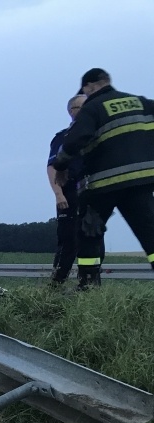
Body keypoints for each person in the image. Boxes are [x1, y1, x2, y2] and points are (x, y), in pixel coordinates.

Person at [51, 68, 154, 288]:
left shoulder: (93, 107)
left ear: (89, 86)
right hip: (140, 182)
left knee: (89, 233)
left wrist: (60, 166)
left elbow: (74, 141)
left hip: (103, 184)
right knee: (149, 233)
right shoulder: (141, 102)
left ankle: (88, 285)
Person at [46, 94, 86, 284]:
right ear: (72, 111)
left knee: (93, 238)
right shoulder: (62, 137)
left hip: (91, 194)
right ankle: (56, 284)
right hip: (69, 193)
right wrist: (58, 194)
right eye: (83, 107)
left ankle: (89, 284)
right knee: (69, 239)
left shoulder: (95, 136)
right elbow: (52, 167)